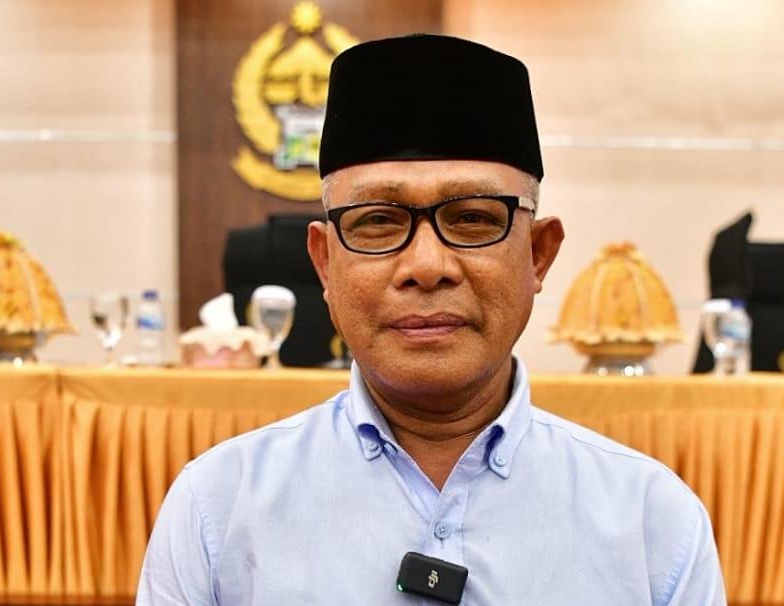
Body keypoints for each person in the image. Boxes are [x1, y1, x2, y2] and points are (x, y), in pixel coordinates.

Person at [137, 34, 726, 605]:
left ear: (538, 254)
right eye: (377, 221)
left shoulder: (652, 524)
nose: (426, 266)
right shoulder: (216, 510)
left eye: (472, 218)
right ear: (323, 262)